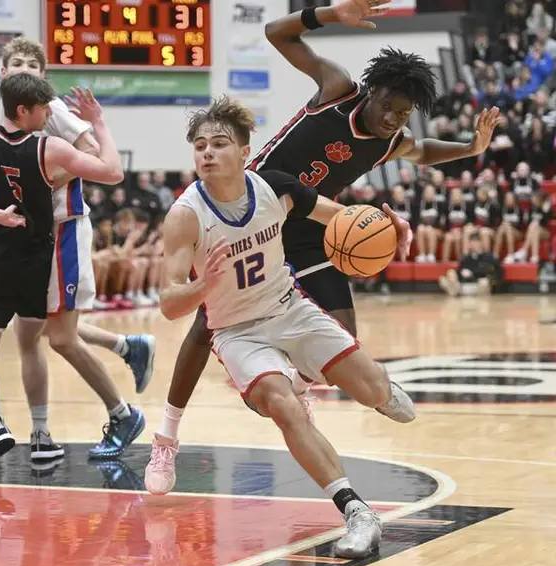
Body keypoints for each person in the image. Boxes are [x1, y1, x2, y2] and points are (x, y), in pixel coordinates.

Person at [146, 0, 501, 493]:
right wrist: (332, 14)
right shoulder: (338, 90)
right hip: (259, 208)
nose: (393, 119)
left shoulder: (390, 140)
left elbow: (420, 151)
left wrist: (470, 148)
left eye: (402, 114)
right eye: (387, 106)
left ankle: (296, 386)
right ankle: (167, 437)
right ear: (371, 92)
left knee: (343, 333)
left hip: (311, 224)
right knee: (209, 324)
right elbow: (276, 31)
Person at [147, 96, 415, 558]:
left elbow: (343, 218)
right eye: (200, 145)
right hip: (237, 332)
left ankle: (373, 388)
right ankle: (356, 511)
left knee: (376, 391)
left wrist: (389, 228)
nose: (207, 152)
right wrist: (201, 286)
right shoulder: (185, 215)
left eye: (219, 144)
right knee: (283, 405)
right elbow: (169, 305)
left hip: (289, 309)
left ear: (244, 152)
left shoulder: (275, 187)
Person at [0, 74, 126, 475]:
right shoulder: (51, 149)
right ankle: (40, 433)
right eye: (43, 108)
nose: (50, 114)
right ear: (23, 110)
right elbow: (113, 172)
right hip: (38, 262)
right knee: (32, 347)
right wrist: (98, 123)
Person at [0, 37, 153, 462]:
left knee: (61, 337)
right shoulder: (8, 119)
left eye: (32, 64)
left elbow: (93, 154)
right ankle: (126, 347)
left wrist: (45, 178)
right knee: (40, 328)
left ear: (43, 74)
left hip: (63, 228)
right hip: (34, 234)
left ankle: (122, 413)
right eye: (17, 63)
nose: (24, 69)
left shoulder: (51, 109)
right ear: (3, 72)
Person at [439, 231, 502, 296]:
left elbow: (495, 272)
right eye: (472, 242)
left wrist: (492, 285)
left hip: (481, 284)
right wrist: (462, 272)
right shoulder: (466, 258)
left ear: (481, 243)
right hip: (466, 283)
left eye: (476, 241)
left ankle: (456, 291)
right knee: (449, 274)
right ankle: (456, 289)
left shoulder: (489, 257)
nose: (474, 244)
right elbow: (460, 270)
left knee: (484, 283)